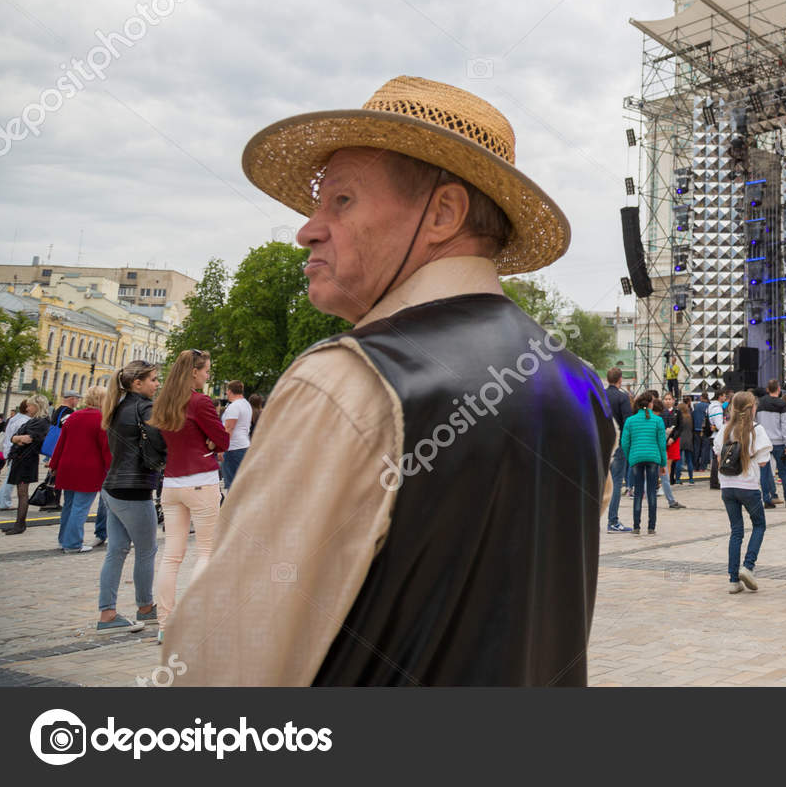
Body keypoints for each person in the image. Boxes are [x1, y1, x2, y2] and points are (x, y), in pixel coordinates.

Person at [164, 76, 613, 685]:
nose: (308, 228)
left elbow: (225, 662)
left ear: (444, 213)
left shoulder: (349, 378)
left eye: (341, 201)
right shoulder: (579, 384)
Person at [151, 349, 230, 634]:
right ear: (194, 372)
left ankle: (165, 623)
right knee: (206, 551)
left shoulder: (163, 402)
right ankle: (197, 620)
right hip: (200, 479)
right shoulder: (199, 402)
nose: (208, 375)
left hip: (171, 483)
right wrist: (211, 443)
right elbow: (223, 440)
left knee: (172, 555)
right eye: (206, 370)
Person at [97, 360, 165, 632]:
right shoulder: (144, 407)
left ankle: (107, 613)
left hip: (112, 486)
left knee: (116, 551)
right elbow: (161, 441)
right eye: (153, 379)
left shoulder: (117, 406)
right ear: (137, 383)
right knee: (147, 550)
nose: (157, 384)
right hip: (134, 488)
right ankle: (146, 606)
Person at [715, 390, 772, 592]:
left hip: (727, 486)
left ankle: (733, 580)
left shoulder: (723, 430)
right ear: (752, 408)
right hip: (748, 486)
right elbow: (764, 462)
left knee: (736, 530)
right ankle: (748, 566)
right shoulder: (756, 431)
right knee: (759, 525)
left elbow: (718, 458)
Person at [50, 386, 110, 553]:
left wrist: (54, 465)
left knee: (68, 506)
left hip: (67, 467)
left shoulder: (74, 416)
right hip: (89, 470)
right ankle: (73, 543)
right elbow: (106, 449)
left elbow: (60, 443)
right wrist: (112, 469)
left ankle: (64, 540)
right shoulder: (102, 419)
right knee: (80, 507)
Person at [0, 394, 52, 535]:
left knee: (22, 493)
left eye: (29, 405)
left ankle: (20, 524)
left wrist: (18, 438)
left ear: (37, 406)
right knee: (21, 492)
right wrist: (18, 438)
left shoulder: (41, 422)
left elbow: (27, 439)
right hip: (21, 458)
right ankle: (19, 523)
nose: (27, 408)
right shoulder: (33, 421)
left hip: (26, 460)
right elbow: (15, 437)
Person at [622, 391, 668, 536]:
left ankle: (636, 526)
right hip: (653, 458)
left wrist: (630, 457)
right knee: (651, 493)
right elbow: (661, 444)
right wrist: (663, 463)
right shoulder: (657, 421)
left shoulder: (630, 421)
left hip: (636, 458)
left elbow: (624, 442)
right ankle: (651, 526)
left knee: (638, 492)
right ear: (650, 404)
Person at [605, 367, 636, 533]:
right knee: (617, 481)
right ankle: (613, 520)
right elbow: (627, 423)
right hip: (617, 444)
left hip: (600, 444)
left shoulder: (599, 395)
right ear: (620, 379)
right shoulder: (622, 397)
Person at [755, 379, 786, 508]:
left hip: (763, 442)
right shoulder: (782, 405)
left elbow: (756, 423)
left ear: (767, 389)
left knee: (764, 473)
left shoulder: (760, 404)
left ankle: (767, 499)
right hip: (779, 442)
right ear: (778, 389)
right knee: (784, 472)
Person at [0, 399, 35, 514]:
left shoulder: (15, 418)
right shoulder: (23, 420)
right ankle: (4, 503)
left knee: (9, 479)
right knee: (11, 480)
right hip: (16, 451)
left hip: (10, 450)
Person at [220, 381, 253, 490]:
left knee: (232, 484)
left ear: (229, 391)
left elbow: (229, 428)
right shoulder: (246, 404)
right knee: (241, 484)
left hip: (233, 448)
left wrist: (222, 448)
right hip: (244, 445)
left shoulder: (234, 406)